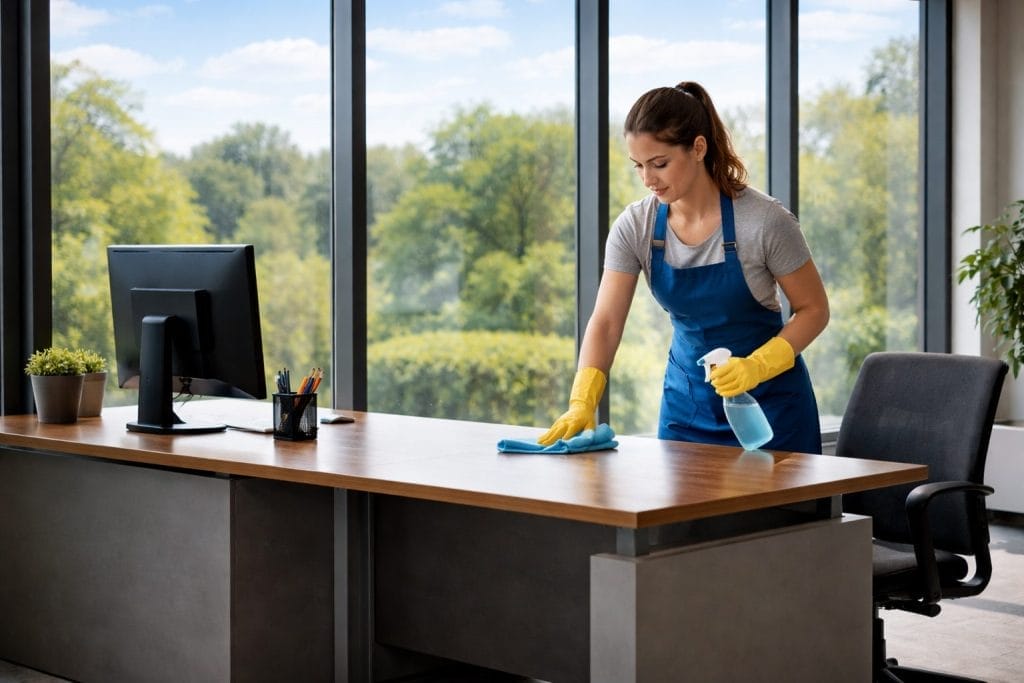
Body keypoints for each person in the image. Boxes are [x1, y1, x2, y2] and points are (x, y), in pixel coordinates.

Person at [538, 81, 829, 453]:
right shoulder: (636, 227)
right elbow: (606, 322)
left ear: (698, 148)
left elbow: (815, 310)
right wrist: (582, 400)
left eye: (659, 164)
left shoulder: (764, 221)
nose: (648, 179)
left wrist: (758, 365)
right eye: (639, 166)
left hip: (772, 413)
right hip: (685, 413)